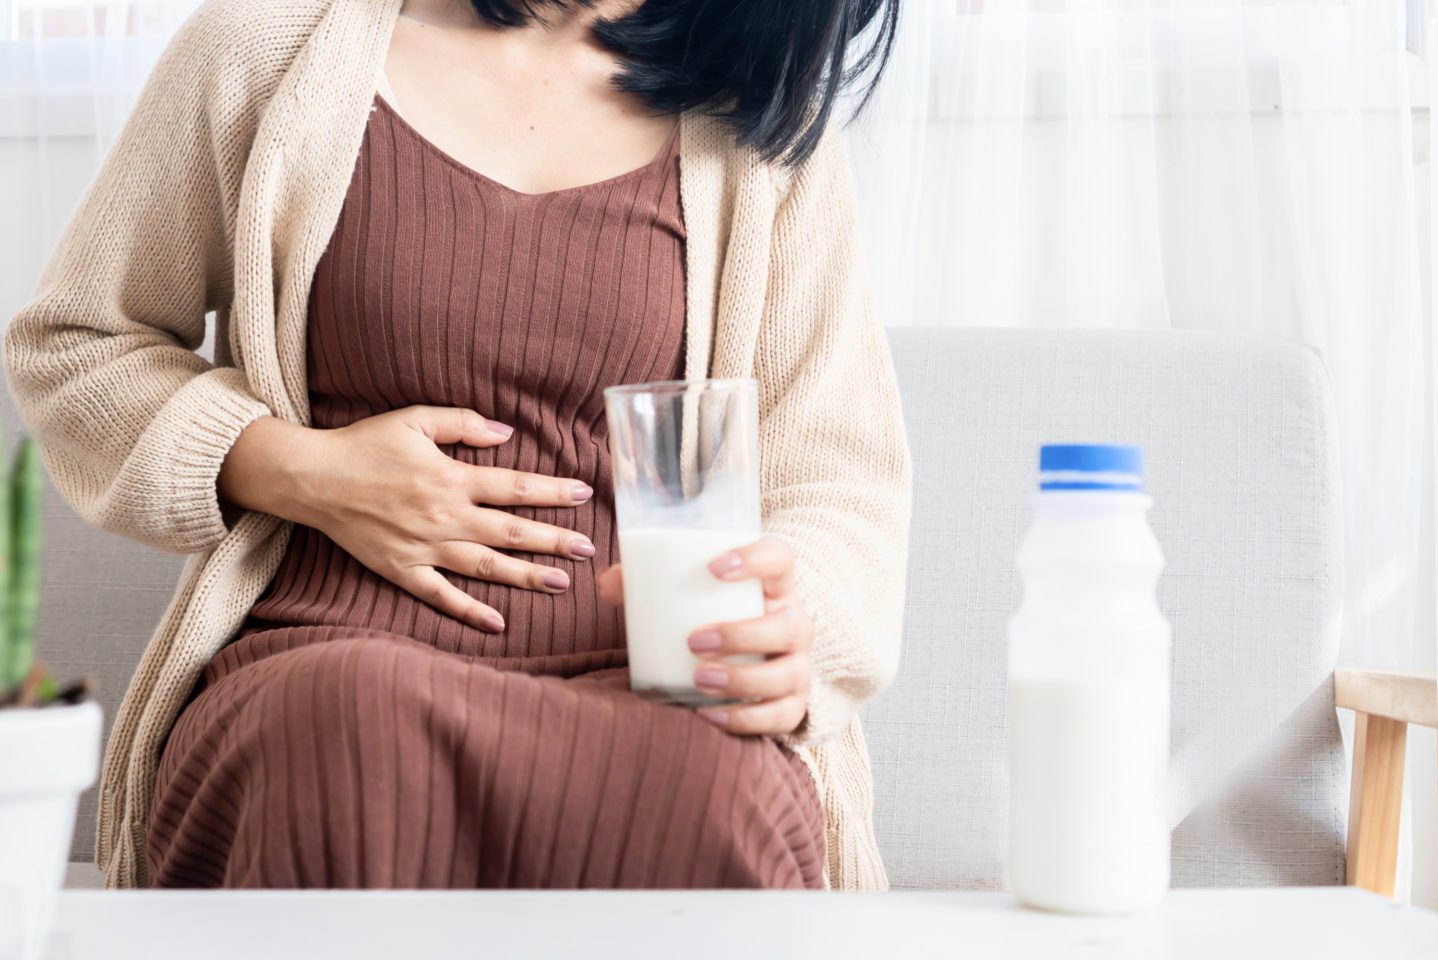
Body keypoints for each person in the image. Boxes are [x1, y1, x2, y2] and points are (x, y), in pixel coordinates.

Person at [4, 0, 911, 890]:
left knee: (706, 790)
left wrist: (792, 642)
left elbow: (841, 479)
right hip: (323, 656)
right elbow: (75, 346)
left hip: (655, 685)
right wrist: (302, 469)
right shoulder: (266, 49)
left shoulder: (755, 125)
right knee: (354, 744)